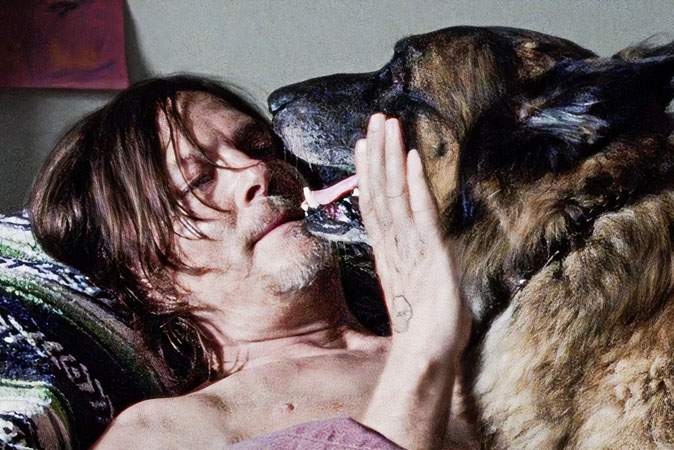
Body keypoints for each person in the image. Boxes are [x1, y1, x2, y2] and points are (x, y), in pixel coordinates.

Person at [29, 75, 474, 449]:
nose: (256, 171)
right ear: (147, 277)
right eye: (198, 180)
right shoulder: (159, 433)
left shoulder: (475, 320)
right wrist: (421, 352)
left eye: (260, 146)